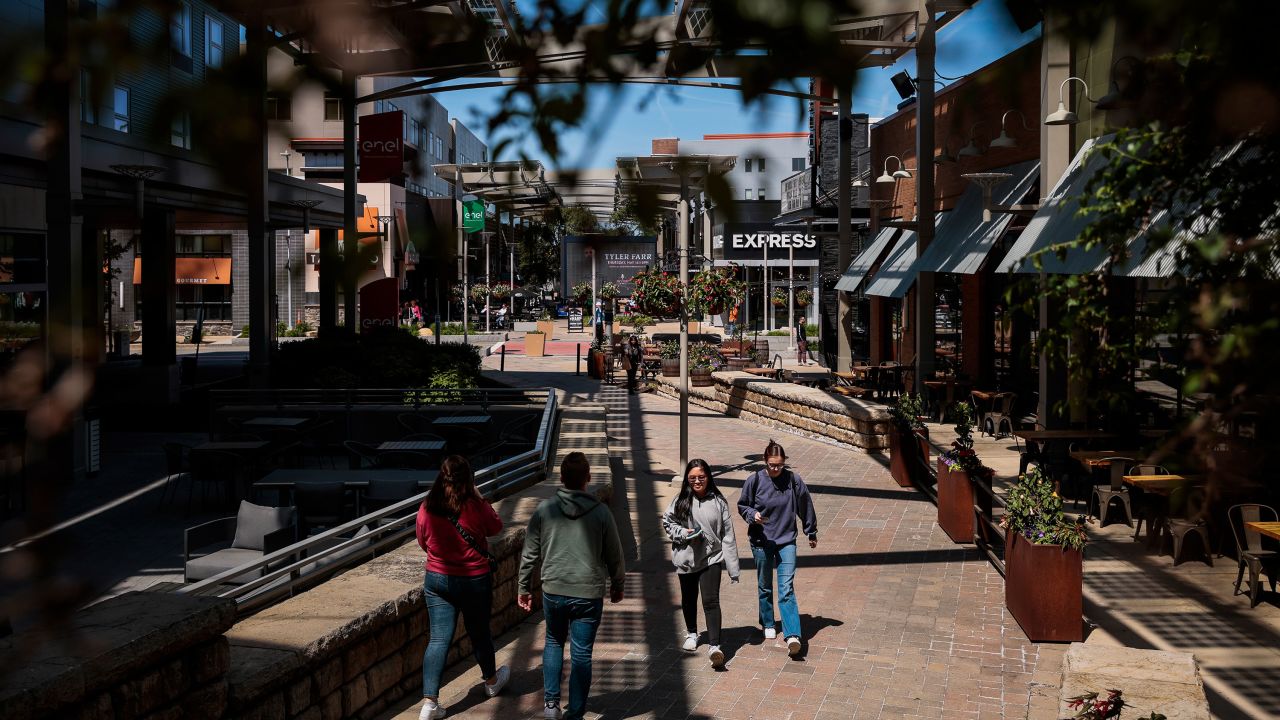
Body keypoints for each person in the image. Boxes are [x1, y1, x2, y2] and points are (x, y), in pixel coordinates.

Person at [518, 452, 625, 720]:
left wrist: (523, 587)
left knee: (553, 641)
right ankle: (575, 712)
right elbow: (615, 553)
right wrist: (617, 584)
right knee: (581, 654)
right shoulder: (600, 512)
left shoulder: (545, 509)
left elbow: (530, 553)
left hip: (554, 588)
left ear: (562, 479)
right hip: (587, 592)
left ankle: (551, 705)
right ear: (587, 479)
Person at [414, 456, 510, 719]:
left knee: (438, 639)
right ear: (469, 479)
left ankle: (429, 703)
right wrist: (479, 497)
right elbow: (496, 526)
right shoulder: (474, 506)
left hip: (437, 579)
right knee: (479, 633)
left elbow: (423, 541)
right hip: (473, 579)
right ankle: (491, 682)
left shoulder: (428, 506)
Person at [736, 439, 818, 658]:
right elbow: (743, 505)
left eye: (779, 465)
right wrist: (752, 515)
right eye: (772, 464)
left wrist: (811, 531)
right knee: (764, 585)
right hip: (761, 541)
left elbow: (805, 505)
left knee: (786, 587)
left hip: (786, 540)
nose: (775, 469)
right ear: (765, 461)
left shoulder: (793, 480)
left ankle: (792, 635)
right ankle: (768, 621)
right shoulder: (754, 480)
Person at [662, 459, 740, 667]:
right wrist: (683, 533)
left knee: (711, 600)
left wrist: (733, 568)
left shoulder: (719, 502)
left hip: (711, 558)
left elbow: (728, 536)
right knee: (689, 599)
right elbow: (667, 522)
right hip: (686, 559)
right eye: (692, 478)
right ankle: (692, 633)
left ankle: (715, 646)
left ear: (708, 478)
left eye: (701, 477)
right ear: (687, 479)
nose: (697, 481)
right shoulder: (680, 501)